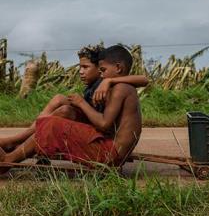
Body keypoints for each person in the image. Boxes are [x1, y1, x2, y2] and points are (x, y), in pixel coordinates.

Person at [0, 45, 143, 170]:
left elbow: (104, 124)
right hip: (112, 151)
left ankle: (9, 160)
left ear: (118, 68)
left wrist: (81, 103)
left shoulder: (120, 89)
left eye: (103, 70)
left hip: (110, 155)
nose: (101, 75)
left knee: (53, 125)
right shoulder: (121, 86)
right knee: (57, 117)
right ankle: (15, 150)